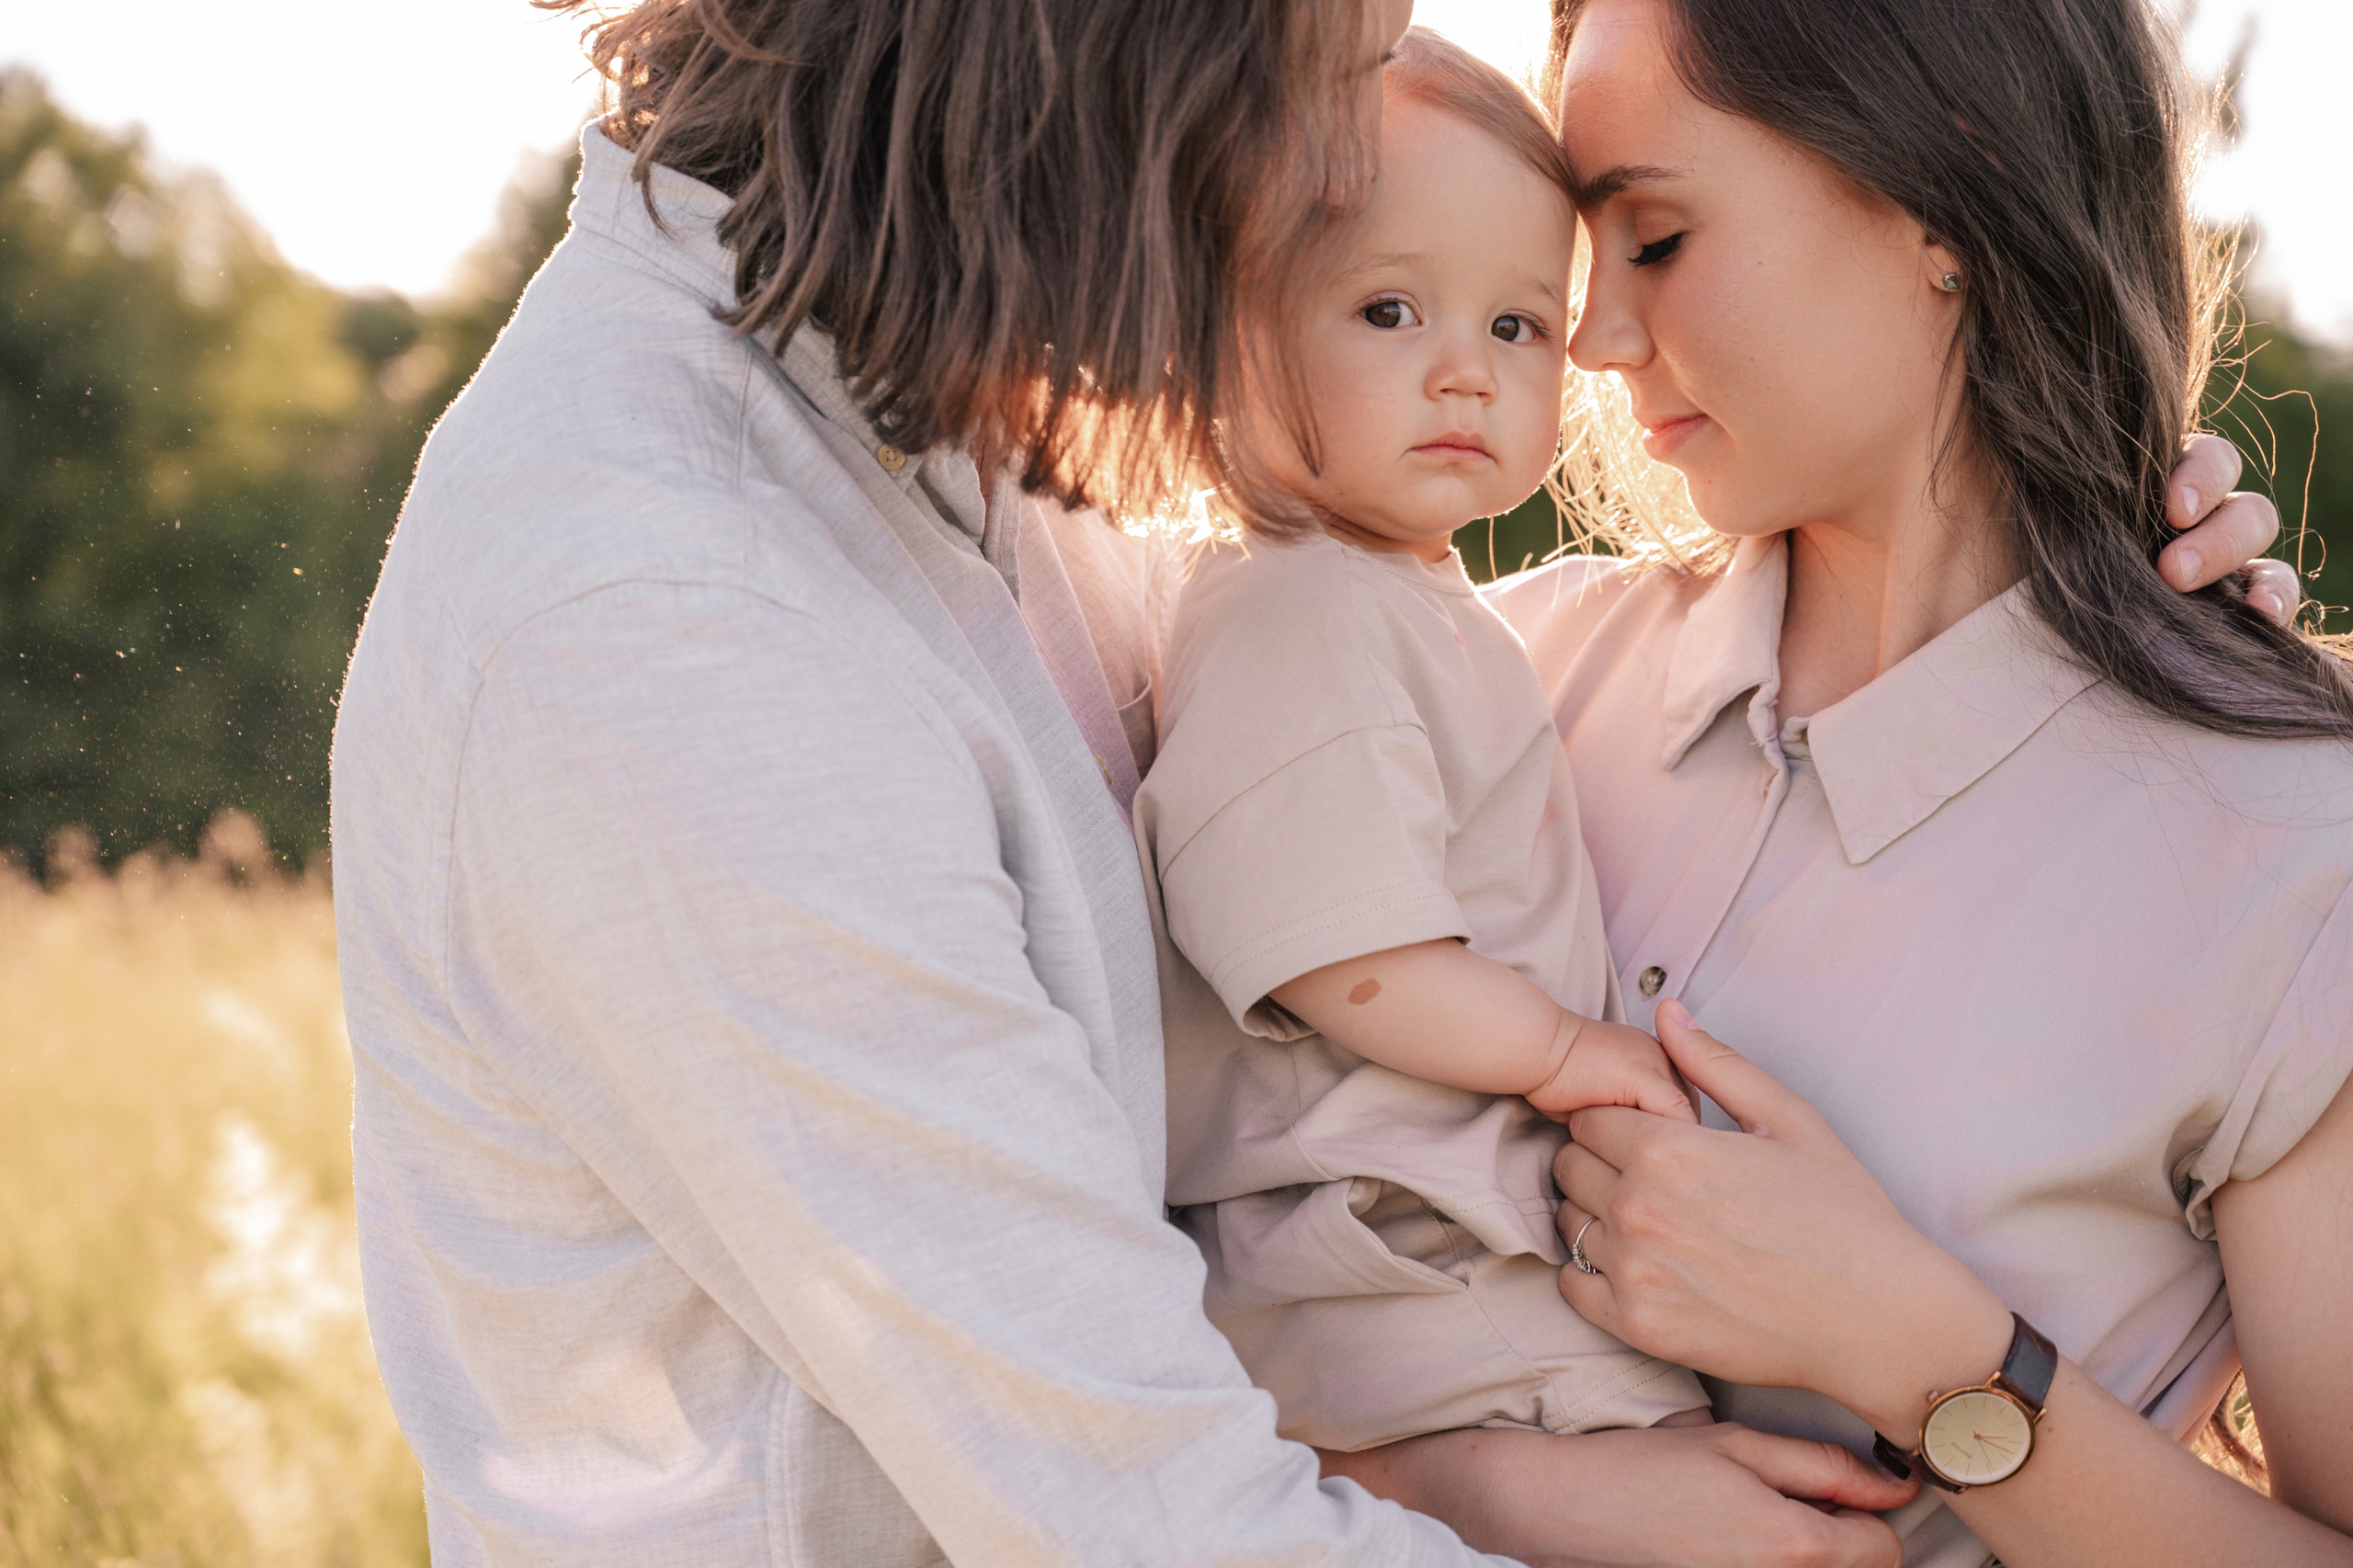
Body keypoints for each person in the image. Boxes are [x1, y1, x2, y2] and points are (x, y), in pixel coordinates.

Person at [325, 0, 2298, 1562]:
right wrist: (1510, 1490)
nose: (1578, 337)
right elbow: (1147, 1506)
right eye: (1332, 69)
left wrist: (2133, 642)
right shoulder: (678, 611)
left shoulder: (1009, 473)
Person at [1340, 1, 2353, 1564]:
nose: (1595, 337)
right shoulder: (1487, 681)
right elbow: (1159, 1266)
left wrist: (1930, 1354)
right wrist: (1481, 1484)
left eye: (1657, 238)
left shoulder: (2291, 849)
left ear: (1942, 199)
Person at [1140, 29, 1711, 1458]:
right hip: (1398, 1264)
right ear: (1217, 329)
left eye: (1516, 326)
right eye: (1391, 311)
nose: (1466, 373)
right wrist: (1562, 1047)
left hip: (1447, 1245)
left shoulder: (1403, 598)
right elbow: (1348, 956)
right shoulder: (1299, 612)